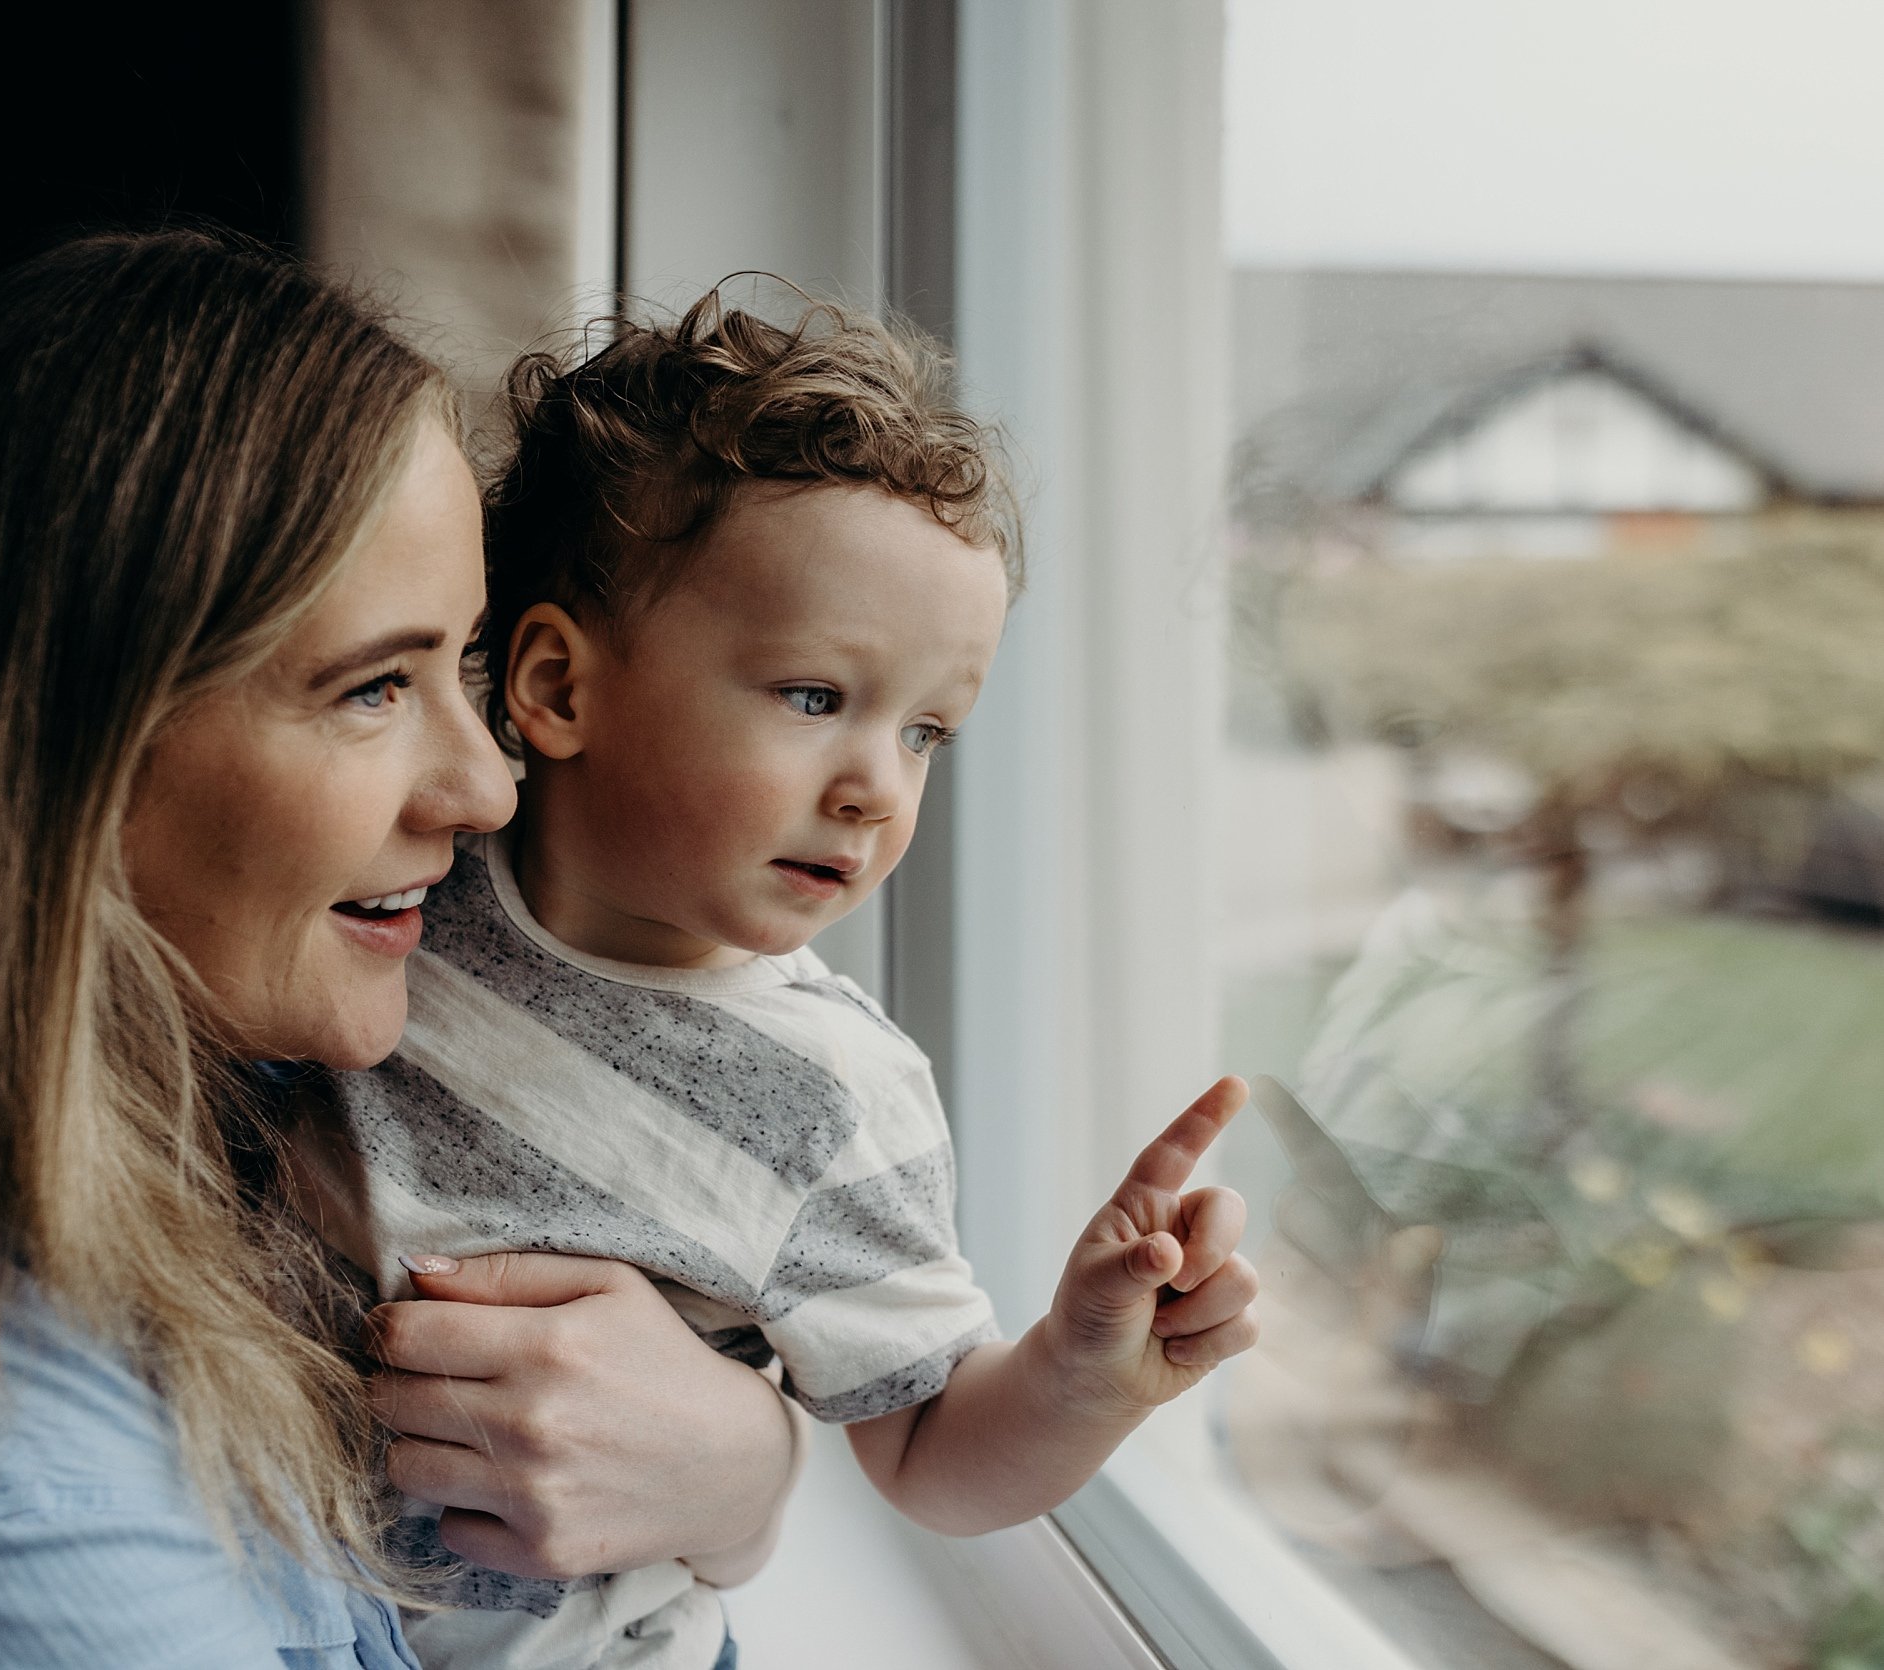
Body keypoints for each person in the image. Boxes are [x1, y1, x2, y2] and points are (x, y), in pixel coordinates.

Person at [0, 232, 804, 1668]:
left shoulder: (227, 1130)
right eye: (369, 688)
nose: (485, 789)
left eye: (461, 666)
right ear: (60, 757)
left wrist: (738, 1468)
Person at [288, 293, 1263, 1670]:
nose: (876, 786)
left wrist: (1080, 1372)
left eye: (929, 730)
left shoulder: (836, 1096)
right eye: (816, 696)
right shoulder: (411, 891)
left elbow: (928, 1450)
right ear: (558, 685)